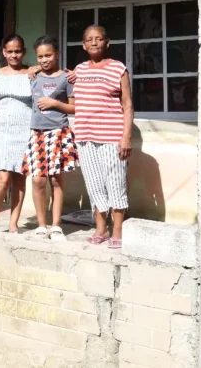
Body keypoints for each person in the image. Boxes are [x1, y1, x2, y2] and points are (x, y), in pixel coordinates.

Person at [72, 25, 134, 248]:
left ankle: (117, 228)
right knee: (94, 184)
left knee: (115, 183)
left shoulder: (118, 68)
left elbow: (127, 105)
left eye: (99, 39)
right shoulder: (78, 70)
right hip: (85, 136)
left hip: (111, 136)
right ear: (83, 45)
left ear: (107, 43)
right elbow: (56, 79)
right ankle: (101, 228)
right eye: (89, 39)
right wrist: (33, 70)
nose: (94, 42)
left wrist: (126, 137)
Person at [22, 36, 77, 242]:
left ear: (57, 54)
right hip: (37, 132)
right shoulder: (34, 75)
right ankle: (41, 225)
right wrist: (32, 68)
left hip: (58, 131)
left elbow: (74, 107)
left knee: (56, 179)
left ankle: (56, 226)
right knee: (37, 180)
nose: (45, 60)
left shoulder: (66, 78)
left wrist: (54, 103)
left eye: (49, 55)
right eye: (40, 56)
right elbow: (29, 70)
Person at [0, 34, 33, 232]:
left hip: (25, 130)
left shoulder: (31, 73)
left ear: (24, 51)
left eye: (18, 51)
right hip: (2, 130)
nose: (14, 55)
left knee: (19, 179)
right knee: (2, 179)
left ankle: (13, 224)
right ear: (4, 52)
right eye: (10, 51)